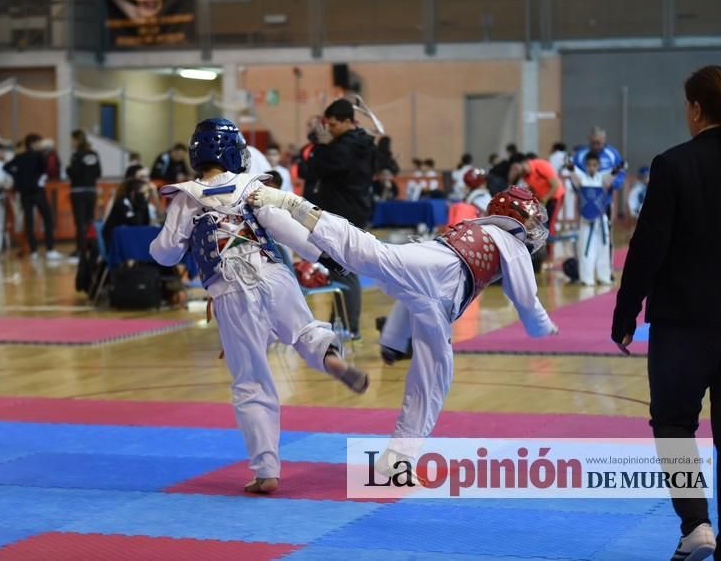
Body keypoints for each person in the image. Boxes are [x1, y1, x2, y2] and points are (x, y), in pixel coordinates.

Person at [250, 183, 557, 473]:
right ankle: (290, 205)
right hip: (436, 281)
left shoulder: (481, 228)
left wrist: (393, 341)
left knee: (354, 259)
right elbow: (526, 300)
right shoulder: (512, 242)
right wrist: (544, 328)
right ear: (515, 218)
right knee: (362, 252)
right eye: (531, 221)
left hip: (430, 288)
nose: (534, 229)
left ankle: (269, 216)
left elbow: (412, 298)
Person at [149, 118, 368, 494]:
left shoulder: (186, 197)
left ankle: (267, 470)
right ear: (235, 151)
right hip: (273, 272)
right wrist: (323, 259)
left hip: (232, 290)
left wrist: (174, 237)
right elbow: (287, 229)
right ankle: (327, 354)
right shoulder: (251, 186)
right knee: (304, 331)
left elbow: (165, 254)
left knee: (252, 378)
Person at [612, 65, 721, 561]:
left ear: (696, 109)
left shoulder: (675, 164)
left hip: (685, 321)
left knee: (674, 423)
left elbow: (648, 248)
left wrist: (626, 311)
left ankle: (696, 524)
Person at [299, 98, 376, 340]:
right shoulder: (354, 143)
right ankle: (340, 321)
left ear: (346, 122)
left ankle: (349, 327)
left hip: (344, 215)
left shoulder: (345, 148)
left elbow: (315, 169)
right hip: (347, 211)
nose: (328, 129)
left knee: (345, 271)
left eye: (332, 125)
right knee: (340, 270)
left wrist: (321, 147)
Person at [3, 133, 62, 260]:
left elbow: (7, 167)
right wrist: (35, 179)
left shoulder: (19, 157)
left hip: (25, 193)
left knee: (29, 222)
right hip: (37, 192)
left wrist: (18, 179)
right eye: (38, 143)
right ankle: (50, 249)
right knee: (47, 219)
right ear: (32, 144)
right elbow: (46, 170)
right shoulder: (38, 156)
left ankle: (33, 251)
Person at [570, 151, 614, 286]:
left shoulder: (603, 178)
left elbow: (613, 174)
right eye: (589, 165)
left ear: (599, 165)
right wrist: (569, 165)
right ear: (585, 165)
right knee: (585, 249)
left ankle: (604, 277)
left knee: (604, 248)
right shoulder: (581, 178)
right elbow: (573, 171)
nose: (592, 167)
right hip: (585, 220)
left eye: (595, 165)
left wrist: (620, 168)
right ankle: (587, 278)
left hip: (601, 219)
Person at [67, 130, 102, 258]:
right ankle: (91, 248)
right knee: (89, 221)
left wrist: (68, 169)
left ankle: (81, 250)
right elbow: (98, 173)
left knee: (80, 222)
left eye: (72, 140)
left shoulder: (76, 155)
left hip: (78, 192)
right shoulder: (94, 154)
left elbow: (73, 172)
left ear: (76, 140)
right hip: (91, 191)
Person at [511, 155, 565, 235]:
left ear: (523, 163)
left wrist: (544, 199)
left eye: (516, 168)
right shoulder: (525, 176)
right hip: (543, 199)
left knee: (550, 224)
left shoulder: (540, 165)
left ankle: (550, 246)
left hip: (555, 196)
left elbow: (555, 185)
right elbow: (532, 190)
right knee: (539, 223)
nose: (516, 171)